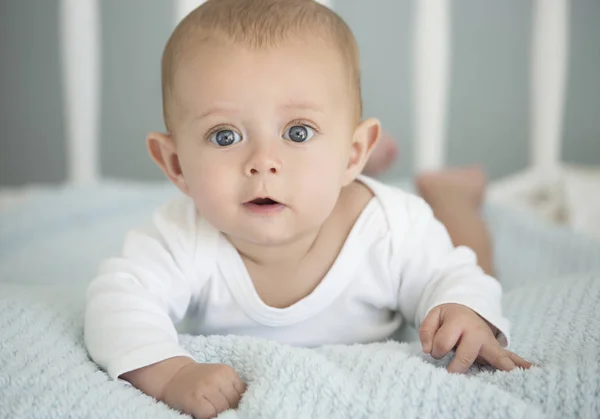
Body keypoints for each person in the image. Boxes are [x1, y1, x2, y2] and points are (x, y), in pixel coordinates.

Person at [84, 1, 530, 418]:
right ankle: (328, 154)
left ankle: (451, 195)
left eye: (297, 132)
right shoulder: (180, 236)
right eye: (225, 136)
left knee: (471, 258)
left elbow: (450, 275)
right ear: (176, 164)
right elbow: (117, 301)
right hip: (334, 176)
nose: (263, 161)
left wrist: (464, 307)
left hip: (393, 216)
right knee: (310, 179)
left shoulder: (392, 228)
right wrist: (171, 374)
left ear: (354, 151)